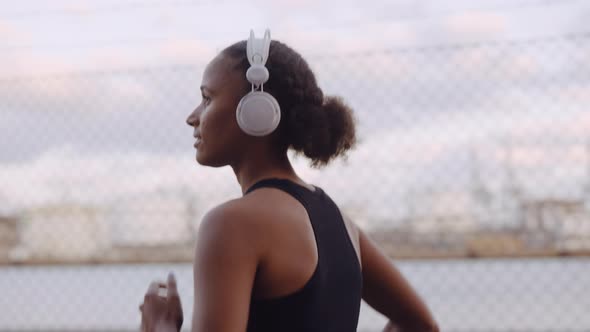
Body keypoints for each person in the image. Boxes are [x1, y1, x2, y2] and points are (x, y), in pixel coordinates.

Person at [139, 30, 439, 332]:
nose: (192, 117)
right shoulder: (338, 221)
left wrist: (160, 326)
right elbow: (420, 325)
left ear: (256, 112)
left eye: (207, 98)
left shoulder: (232, 224)